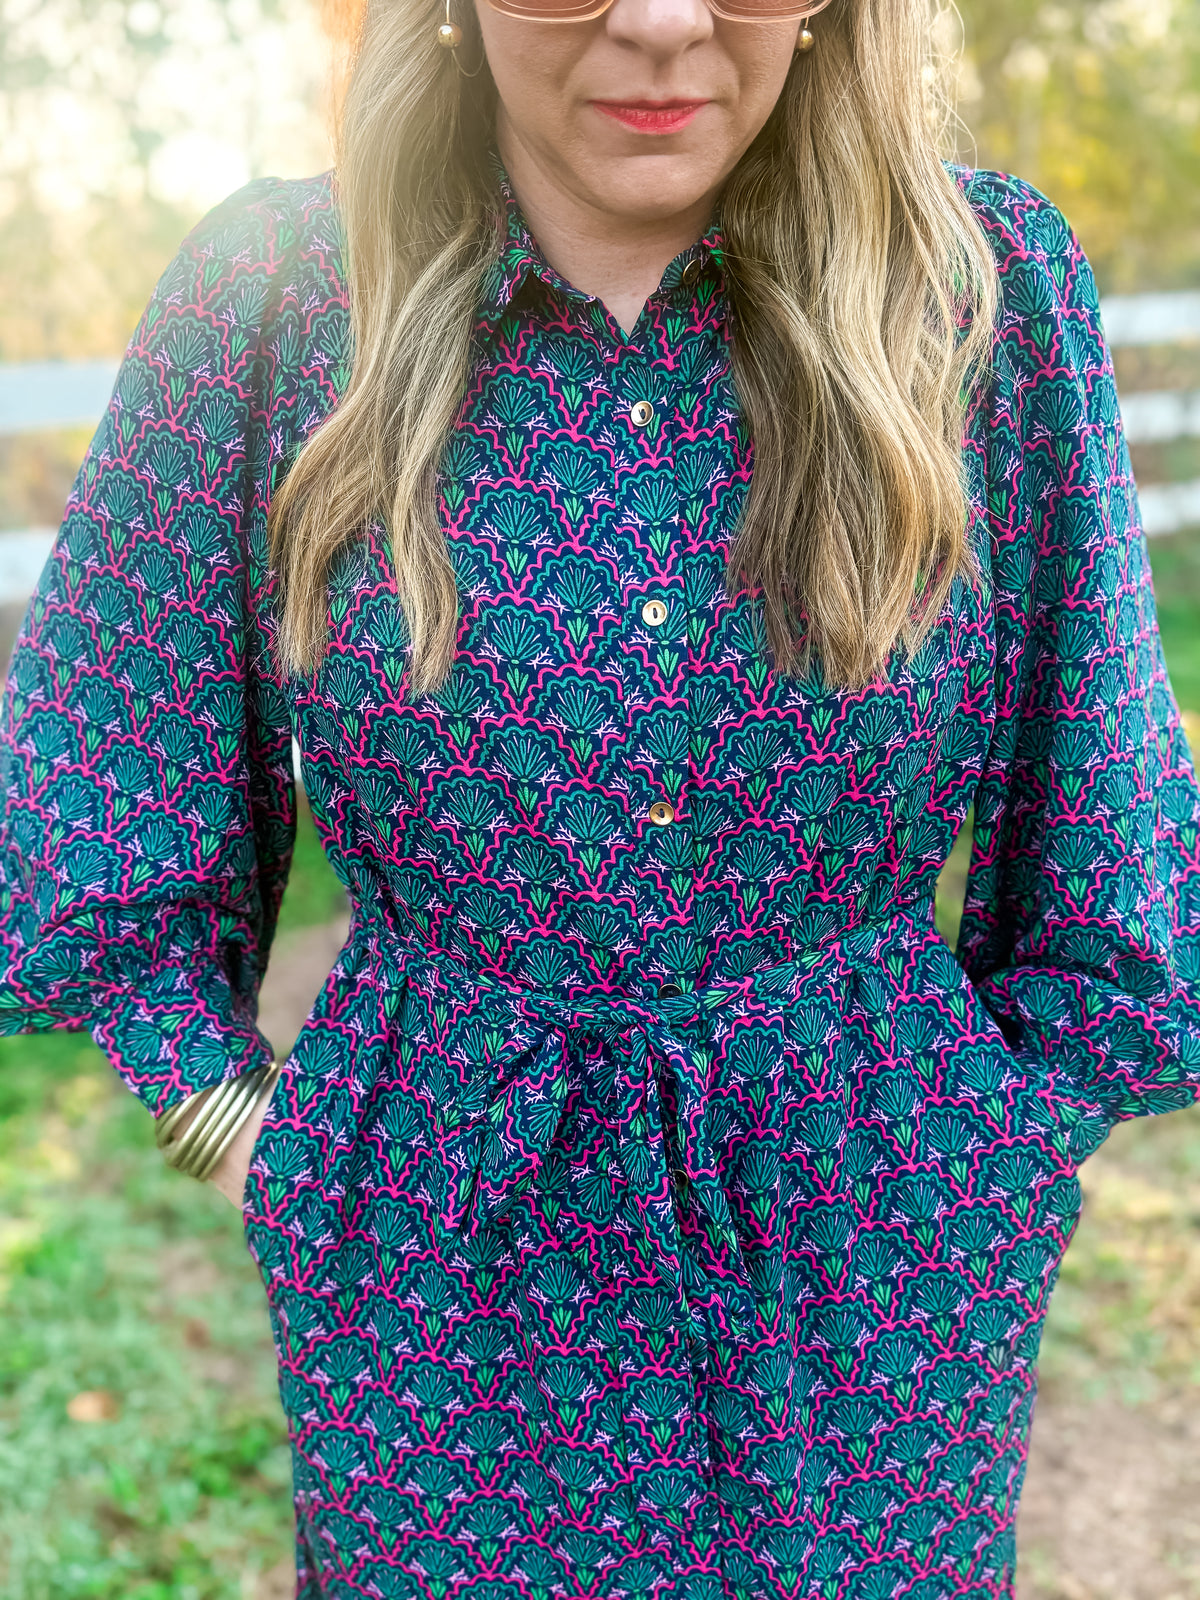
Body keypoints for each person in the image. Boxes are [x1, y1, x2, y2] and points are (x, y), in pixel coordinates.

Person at [1, 0, 1198, 1592]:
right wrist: (237, 1129)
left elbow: (1106, 809)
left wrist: (997, 1152)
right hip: (431, 1295)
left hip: (875, 1292)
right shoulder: (277, 298)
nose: (662, 21)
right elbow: (101, 760)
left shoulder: (981, 287)